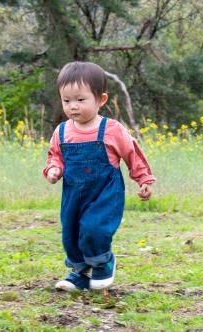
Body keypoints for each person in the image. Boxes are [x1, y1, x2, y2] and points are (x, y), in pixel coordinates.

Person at [43, 61, 156, 291]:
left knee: (94, 228)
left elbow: (131, 153)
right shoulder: (62, 131)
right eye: (67, 101)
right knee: (71, 234)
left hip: (105, 193)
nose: (73, 106)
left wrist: (143, 179)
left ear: (100, 99)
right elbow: (55, 156)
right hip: (73, 195)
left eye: (80, 100)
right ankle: (81, 273)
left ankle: (104, 262)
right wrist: (54, 170)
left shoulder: (112, 129)